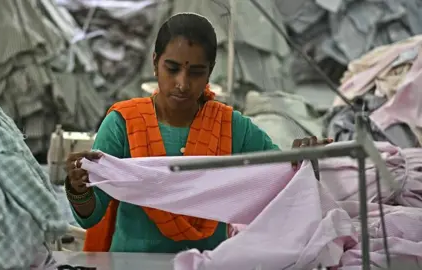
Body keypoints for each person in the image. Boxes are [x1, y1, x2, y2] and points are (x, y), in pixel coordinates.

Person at [65, 12, 332, 253]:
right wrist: (78, 187)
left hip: (208, 262)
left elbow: (280, 185)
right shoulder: (123, 123)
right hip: (134, 263)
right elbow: (91, 215)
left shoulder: (232, 127)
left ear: (209, 73)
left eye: (195, 72)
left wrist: (301, 160)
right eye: (172, 69)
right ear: (155, 63)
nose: (182, 83)